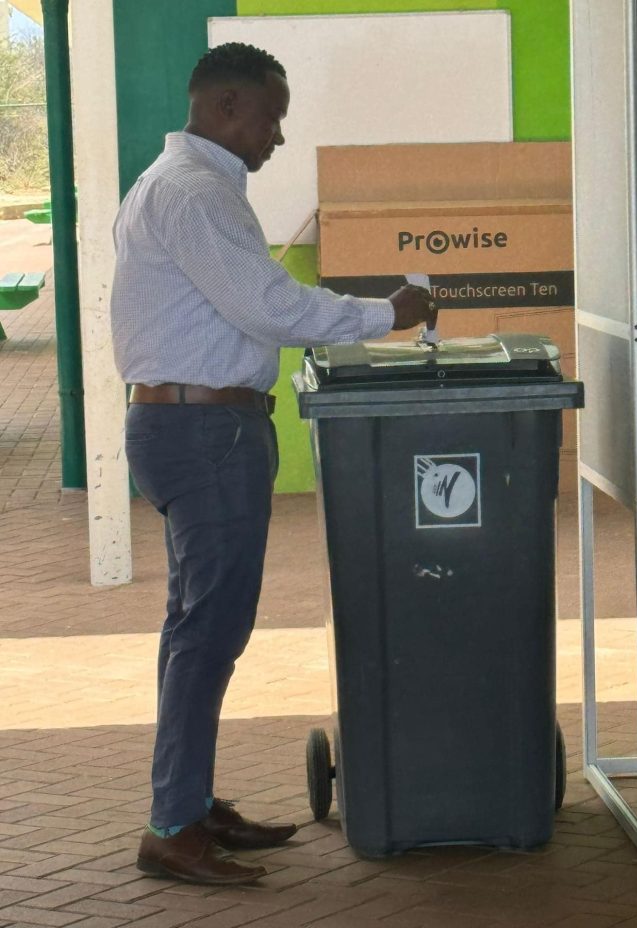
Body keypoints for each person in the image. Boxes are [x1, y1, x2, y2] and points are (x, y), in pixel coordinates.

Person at [110, 41, 437, 887]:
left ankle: (186, 803)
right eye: (271, 117)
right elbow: (269, 307)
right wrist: (386, 313)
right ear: (225, 107)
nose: (278, 136)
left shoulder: (177, 185)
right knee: (208, 631)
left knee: (196, 628)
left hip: (189, 424)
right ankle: (172, 827)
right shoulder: (194, 193)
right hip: (203, 431)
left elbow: (249, 305)